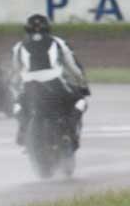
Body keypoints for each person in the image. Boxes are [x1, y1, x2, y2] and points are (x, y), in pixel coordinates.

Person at [11, 14, 91, 148]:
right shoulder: (58, 42)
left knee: (17, 105)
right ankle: (70, 128)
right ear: (48, 28)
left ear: (27, 29)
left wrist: (15, 85)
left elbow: (15, 71)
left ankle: (23, 128)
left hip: (29, 85)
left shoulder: (18, 46)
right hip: (55, 84)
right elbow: (73, 67)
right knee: (81, 101)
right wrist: (83, 84)